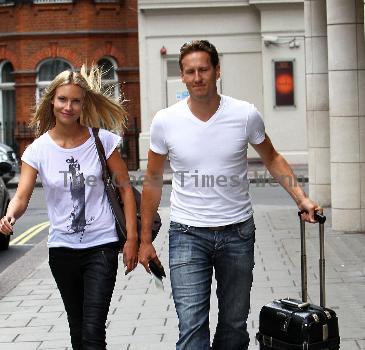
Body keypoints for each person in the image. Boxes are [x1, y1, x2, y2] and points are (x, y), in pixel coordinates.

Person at [138, 40, 321, 350]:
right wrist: (144, 240)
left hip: (236, 233)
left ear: (217, 71)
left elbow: (272, 158)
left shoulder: (244, 114)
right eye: (190, 71)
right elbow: (153, 179)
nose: (197, 77)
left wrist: (301, 198)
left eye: (204, 70)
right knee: (192, 328)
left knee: (234, 328)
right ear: (182, 76)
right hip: (187, 234)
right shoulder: (165, 121)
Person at [0, 65, 138, 350]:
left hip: (102, 247)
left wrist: (133, 240)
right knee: (78, 330)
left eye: (76, 100)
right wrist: (10, 214)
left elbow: (125, 188)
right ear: (52, 100)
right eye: (63, 99)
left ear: (83, 104)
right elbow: (22, 196)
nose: (68, 106)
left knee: (92, 333)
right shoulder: (37, 150)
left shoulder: (103, 141)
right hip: (62, 251)